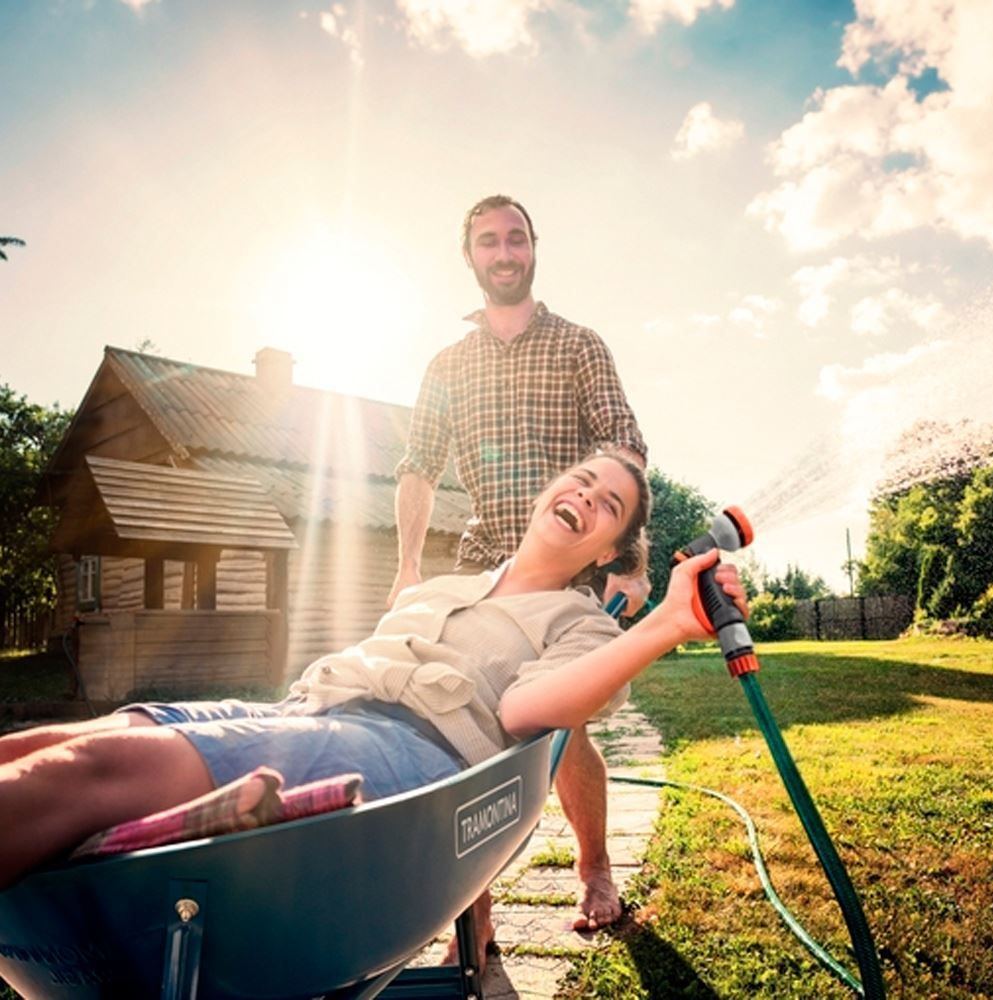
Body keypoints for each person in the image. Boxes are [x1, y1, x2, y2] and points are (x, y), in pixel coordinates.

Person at [0, 453, 747, 976]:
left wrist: (665, 624)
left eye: (609, 505)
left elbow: (526, 711)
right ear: (545, 492)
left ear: (609, 549)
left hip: (403, 745)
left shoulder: (578, 623)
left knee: (97, 769)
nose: (586, 496)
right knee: (38, 746)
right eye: (581, 481)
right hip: (304, 710)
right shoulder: (438, 589)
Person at [390, 194, 650, 935]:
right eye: (488, 242)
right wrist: (408, 565)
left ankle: (594, 868)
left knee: (564, 729)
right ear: (469, 256)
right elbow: (418, 466)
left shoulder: (578, 346)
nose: (503, 253)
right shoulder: (447, 365)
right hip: (483, 565)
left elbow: (623, 446)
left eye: (515, 239)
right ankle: (473, 921)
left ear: (534, 248)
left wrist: (628, 559)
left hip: (567, 570)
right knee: (458, 730)